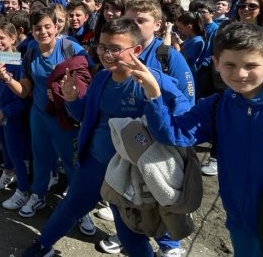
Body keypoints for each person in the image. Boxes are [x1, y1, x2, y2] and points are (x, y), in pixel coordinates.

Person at [21, 18, 191, 257]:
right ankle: (43, 245)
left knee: (128, 232)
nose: (106, 54)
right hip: (95, 162)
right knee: (69, 207)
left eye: (115, 49)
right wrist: (71, 99)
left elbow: (183, 124)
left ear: (136, 50)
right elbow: (83, 116)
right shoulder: (101, 78)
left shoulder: (154, 80)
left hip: (130, 173)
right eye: (102, 47)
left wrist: (154, 97)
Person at [130, 22, 263, 257]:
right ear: (216, 63)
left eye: (251, 65)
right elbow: (174, 134)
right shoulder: (218, 104)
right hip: (239, 221)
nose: (240, 74)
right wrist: (153, 93)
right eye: (230, 64)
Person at [0, 7, 95, 229]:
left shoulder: (71, 48)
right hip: (39, 116)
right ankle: (38, 195)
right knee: (41, 159)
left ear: (56, 26)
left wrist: (69, 93)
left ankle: (80, 209)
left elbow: (89, 78)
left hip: (66, 119)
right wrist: (7, 79)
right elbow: (24, 91)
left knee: (72, 163)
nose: (43, 32)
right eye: (37, 28)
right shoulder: (30, 52)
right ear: (31, 30)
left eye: (47, 26)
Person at [0, 22, 29, 208]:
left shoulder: (19, 63)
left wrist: (5, 112)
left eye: (2, 38)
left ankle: (23, 191)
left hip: (11, 118)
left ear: (13, 38)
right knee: (7, 151)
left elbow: (23, 98)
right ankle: (8, 174)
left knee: (17, 153)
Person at [174, 11, 206, 76]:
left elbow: (182, 60)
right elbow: (185, 45)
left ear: (189, 27)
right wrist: (177, 39)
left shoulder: (197, 42)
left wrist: (175, 44)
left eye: (181, 28)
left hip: (189, 73)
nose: (179, 30)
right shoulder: (191, 37)